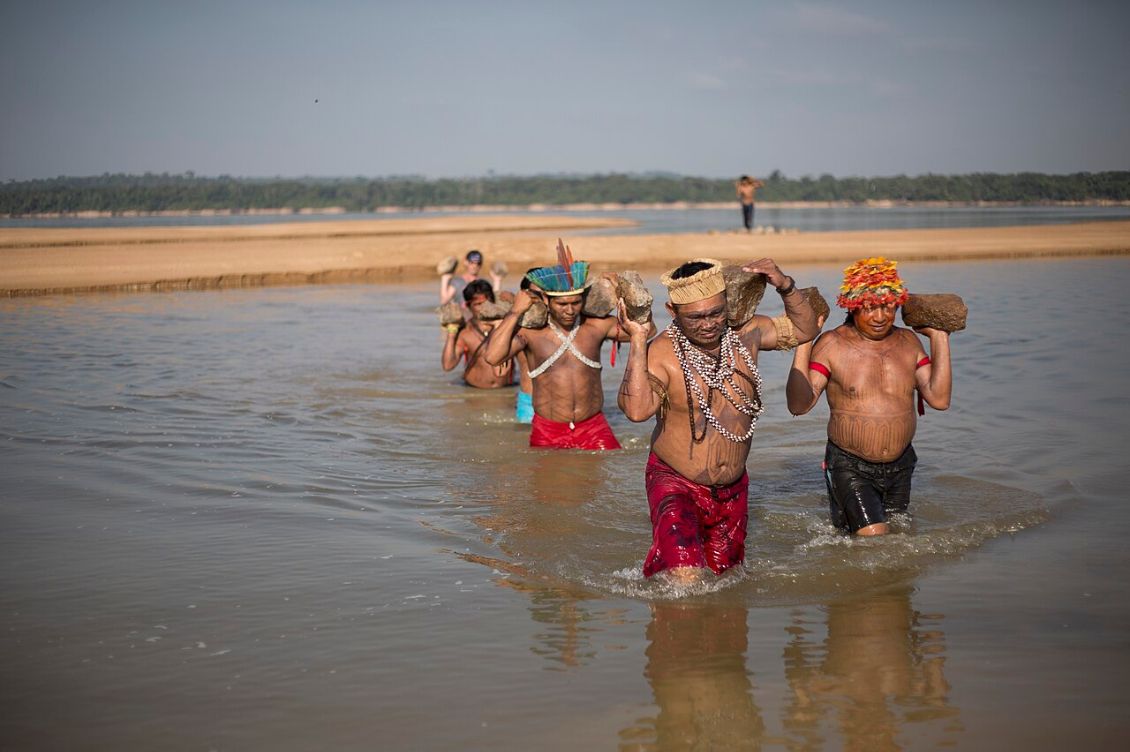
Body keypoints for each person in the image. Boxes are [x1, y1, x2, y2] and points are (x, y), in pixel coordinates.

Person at [617, 258, 819, 581]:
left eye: (716, 312)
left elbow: (805, 329)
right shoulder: (662, 352)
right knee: (686, 578)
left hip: (732, 490)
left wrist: (785, 285)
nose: (709, 323)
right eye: (696, 317)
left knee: (725, 586)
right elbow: (637, 411)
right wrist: (638, 339)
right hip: (675, 483)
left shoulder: (747, 334)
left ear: (726, 303)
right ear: (673, 311)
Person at [785, 257, 952, 536]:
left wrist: (939, 338)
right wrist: (804, 342)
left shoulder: (909, 342)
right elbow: (798, 405)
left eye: (887, 307)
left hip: (901, 464)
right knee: (876, 539)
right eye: (869, 308)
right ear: (852, 307)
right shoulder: (832, 345)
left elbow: (939, 399)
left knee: (894, 540)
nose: (880, 317)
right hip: (850, 466)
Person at [484, 241, 653, 450]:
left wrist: (625, 296)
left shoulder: (595, 327)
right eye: (562, 304)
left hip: (593, 426)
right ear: (547, 301)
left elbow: (646, 330)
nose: (570, 310)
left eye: (575, 303)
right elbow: (492, 356)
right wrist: (515, 312)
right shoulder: (532, 333)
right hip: (547, 429)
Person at [441, 279, 514, 389]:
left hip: (505, 391)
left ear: (493, 301)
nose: (484, 308)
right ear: (468, 306)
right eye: (478, 304)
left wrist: (499, 326)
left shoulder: (507, 326)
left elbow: (506, 370)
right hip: (475, 393)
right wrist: (451, 331)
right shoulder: (465, 332)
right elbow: (448, 365)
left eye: (487, 302)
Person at [513, 269, 540, 424]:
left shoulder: (564, 321)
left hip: (563, 405)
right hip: (528, 403)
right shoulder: (517, 326)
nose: (541, 299)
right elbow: (495, 363)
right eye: (535, 294)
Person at [439, 249, 504, 305]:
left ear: (481, 265)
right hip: (463, 316)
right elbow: (444, 301)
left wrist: (497, 281)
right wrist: (445, 278)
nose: (474, 266)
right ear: (466, 262)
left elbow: (494, 302)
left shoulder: (483, 283)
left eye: (478, 263)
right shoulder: (457, 282)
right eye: (472, 262)